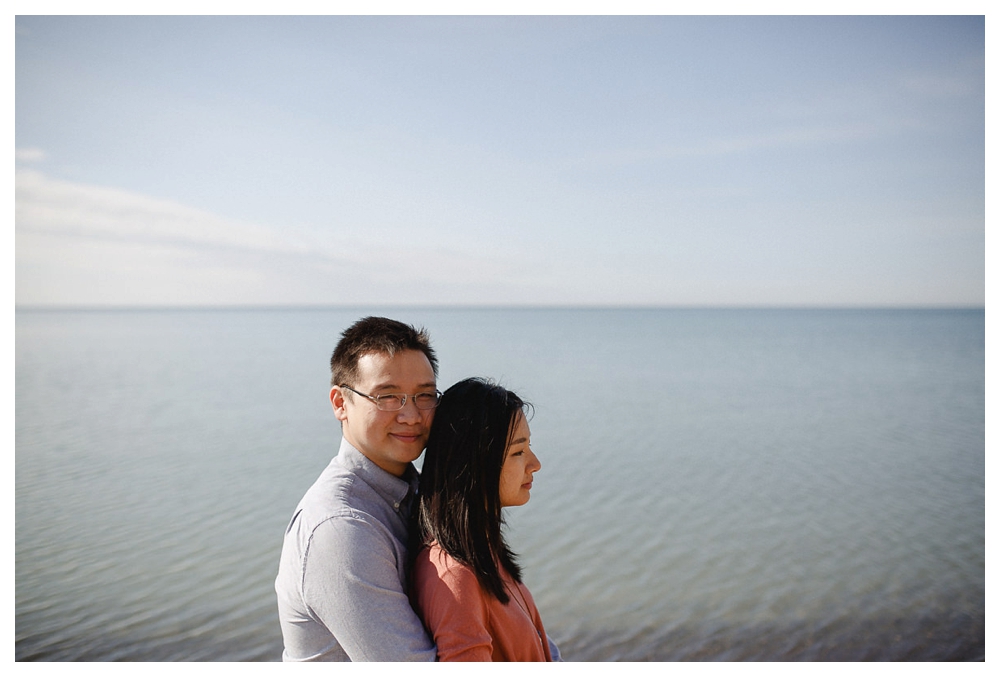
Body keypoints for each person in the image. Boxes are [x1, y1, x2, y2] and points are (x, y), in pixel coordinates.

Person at [274, 316, 439, 661]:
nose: (411, 415)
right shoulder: (340, 527)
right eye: (387, 396)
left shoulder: (419, 494)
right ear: (339, 403)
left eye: (424, 396)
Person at [411, 377, 558, 661]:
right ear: (475, 464)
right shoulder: (454, 578)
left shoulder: (482, 548)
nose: (535, 464)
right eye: (518, 451)